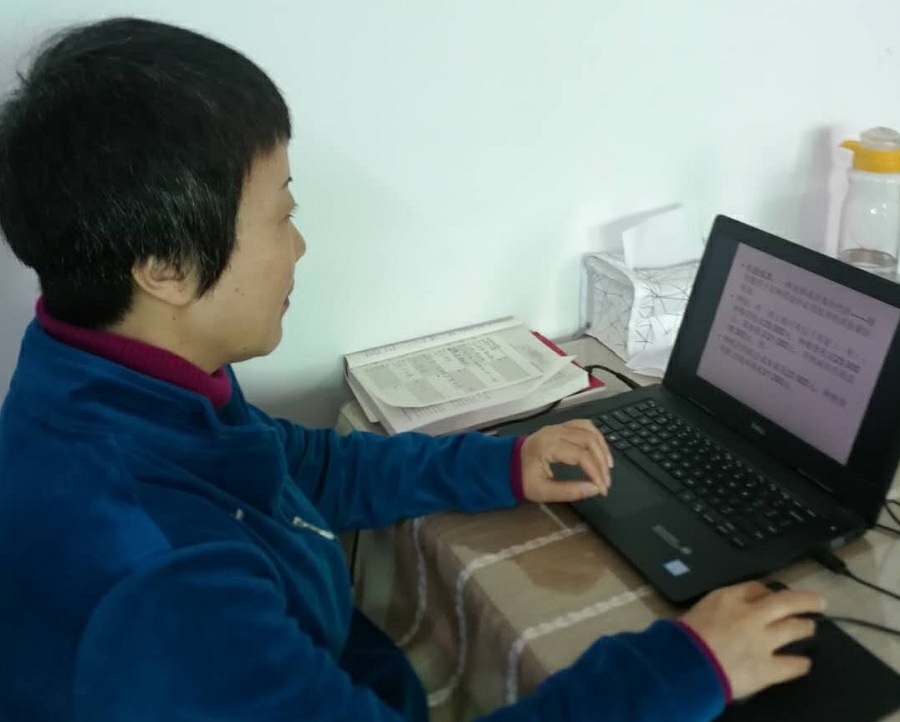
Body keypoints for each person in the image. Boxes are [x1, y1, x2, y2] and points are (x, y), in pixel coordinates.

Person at [0, 18, 824, 722]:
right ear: (165, 268)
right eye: (282, 213)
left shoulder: (111, 378)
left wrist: (501, 464)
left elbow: (293, 465)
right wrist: (681, 671)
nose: (299, 245)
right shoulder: (157, 585)